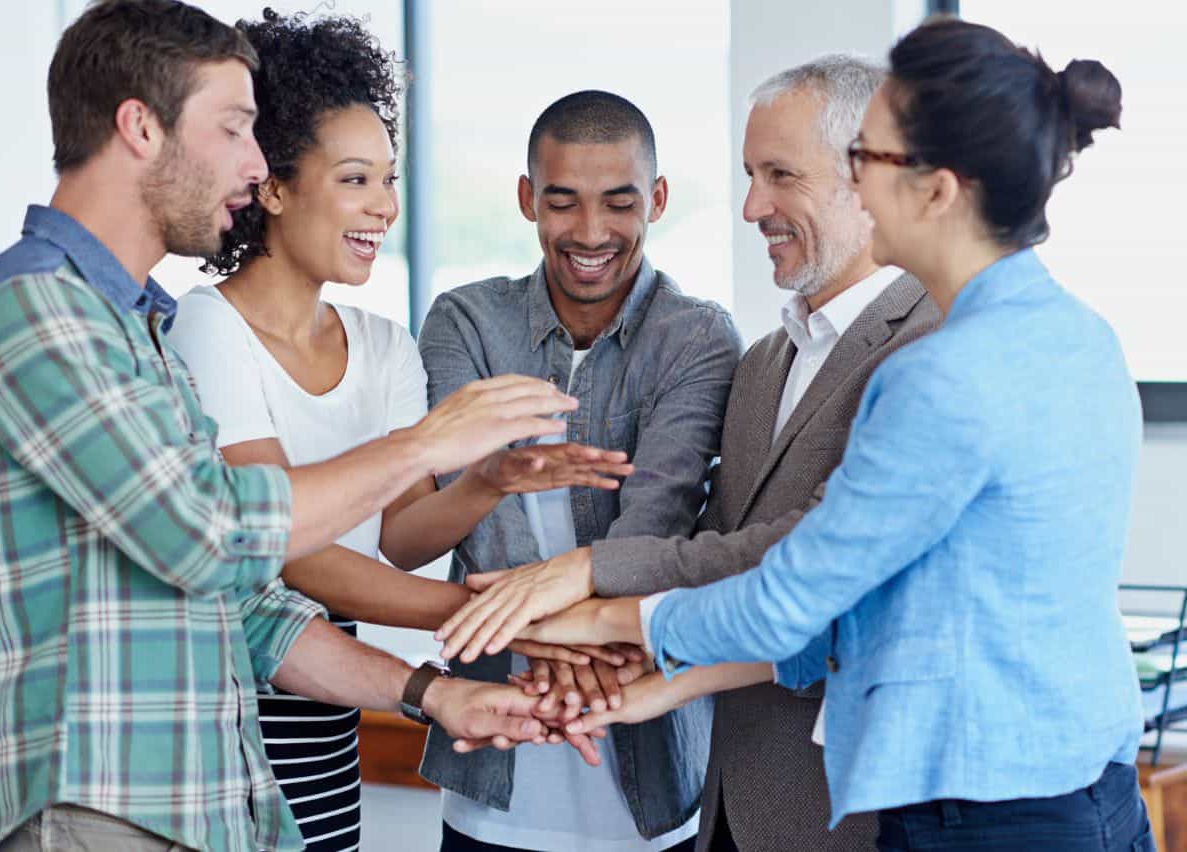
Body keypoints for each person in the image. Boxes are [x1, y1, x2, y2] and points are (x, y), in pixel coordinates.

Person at [453, 17, 1153, 852]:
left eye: (867, 161)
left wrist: (600, 618)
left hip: (991, 818)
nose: (859, 185)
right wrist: (663, 681)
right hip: (1075, 796)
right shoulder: (1076, 333)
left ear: (936, 189)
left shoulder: (945, 372)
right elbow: (874, 607)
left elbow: (796, 595)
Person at [0, 2, 575, 850]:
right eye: (233, 128)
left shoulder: (135, 333)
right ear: (140, 128)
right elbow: (214, 532)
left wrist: (434, 694)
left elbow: (248, 605)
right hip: (94, 814)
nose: (257, 161)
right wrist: (424, 445)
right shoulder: (35, 310)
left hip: (206, 811)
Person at [439, 55, 941, 851]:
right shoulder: (766, 359)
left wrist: (591, 586)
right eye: (750, 175)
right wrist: (633, 660)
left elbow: (813, 561)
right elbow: (718, 544)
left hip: (856, 812)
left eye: (779, 175)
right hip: (727, 804)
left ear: (866, 177)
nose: (751, 207)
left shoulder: (933, 345)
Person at [166, 11, 633, 851]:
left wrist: (489, 480)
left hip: (330, 704)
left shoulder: (382, 344)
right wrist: (509, 620)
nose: (384, 206)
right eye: (356, 179)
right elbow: (282, 549)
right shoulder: (207, 329)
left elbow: (403, 539)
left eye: (388, 179)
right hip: (231, 703)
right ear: (272, 187)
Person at [418, 90, 744, 851]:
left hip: (654, 772)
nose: (591, 233)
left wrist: (558, 632)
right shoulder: (464, 321)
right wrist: (568, 640)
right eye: (563, 202)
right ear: (528, 198)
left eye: (619, 203)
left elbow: (655, 525)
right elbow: (478, 516)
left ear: (656, 200)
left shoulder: (699, 336)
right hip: (494, 766)